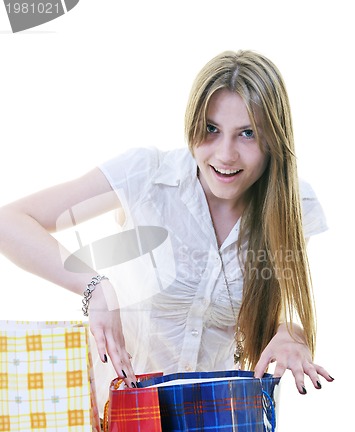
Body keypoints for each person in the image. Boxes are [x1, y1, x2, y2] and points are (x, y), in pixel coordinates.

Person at [0, 49, 334, 397]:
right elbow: (9, 222)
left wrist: (292, 333)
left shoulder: (295, 204)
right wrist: (95, 288)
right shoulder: (146, 176)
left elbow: (282, 302)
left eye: (247, 133)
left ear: (273, 140)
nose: (225, 154)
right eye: (211, 129)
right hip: (119, 424)